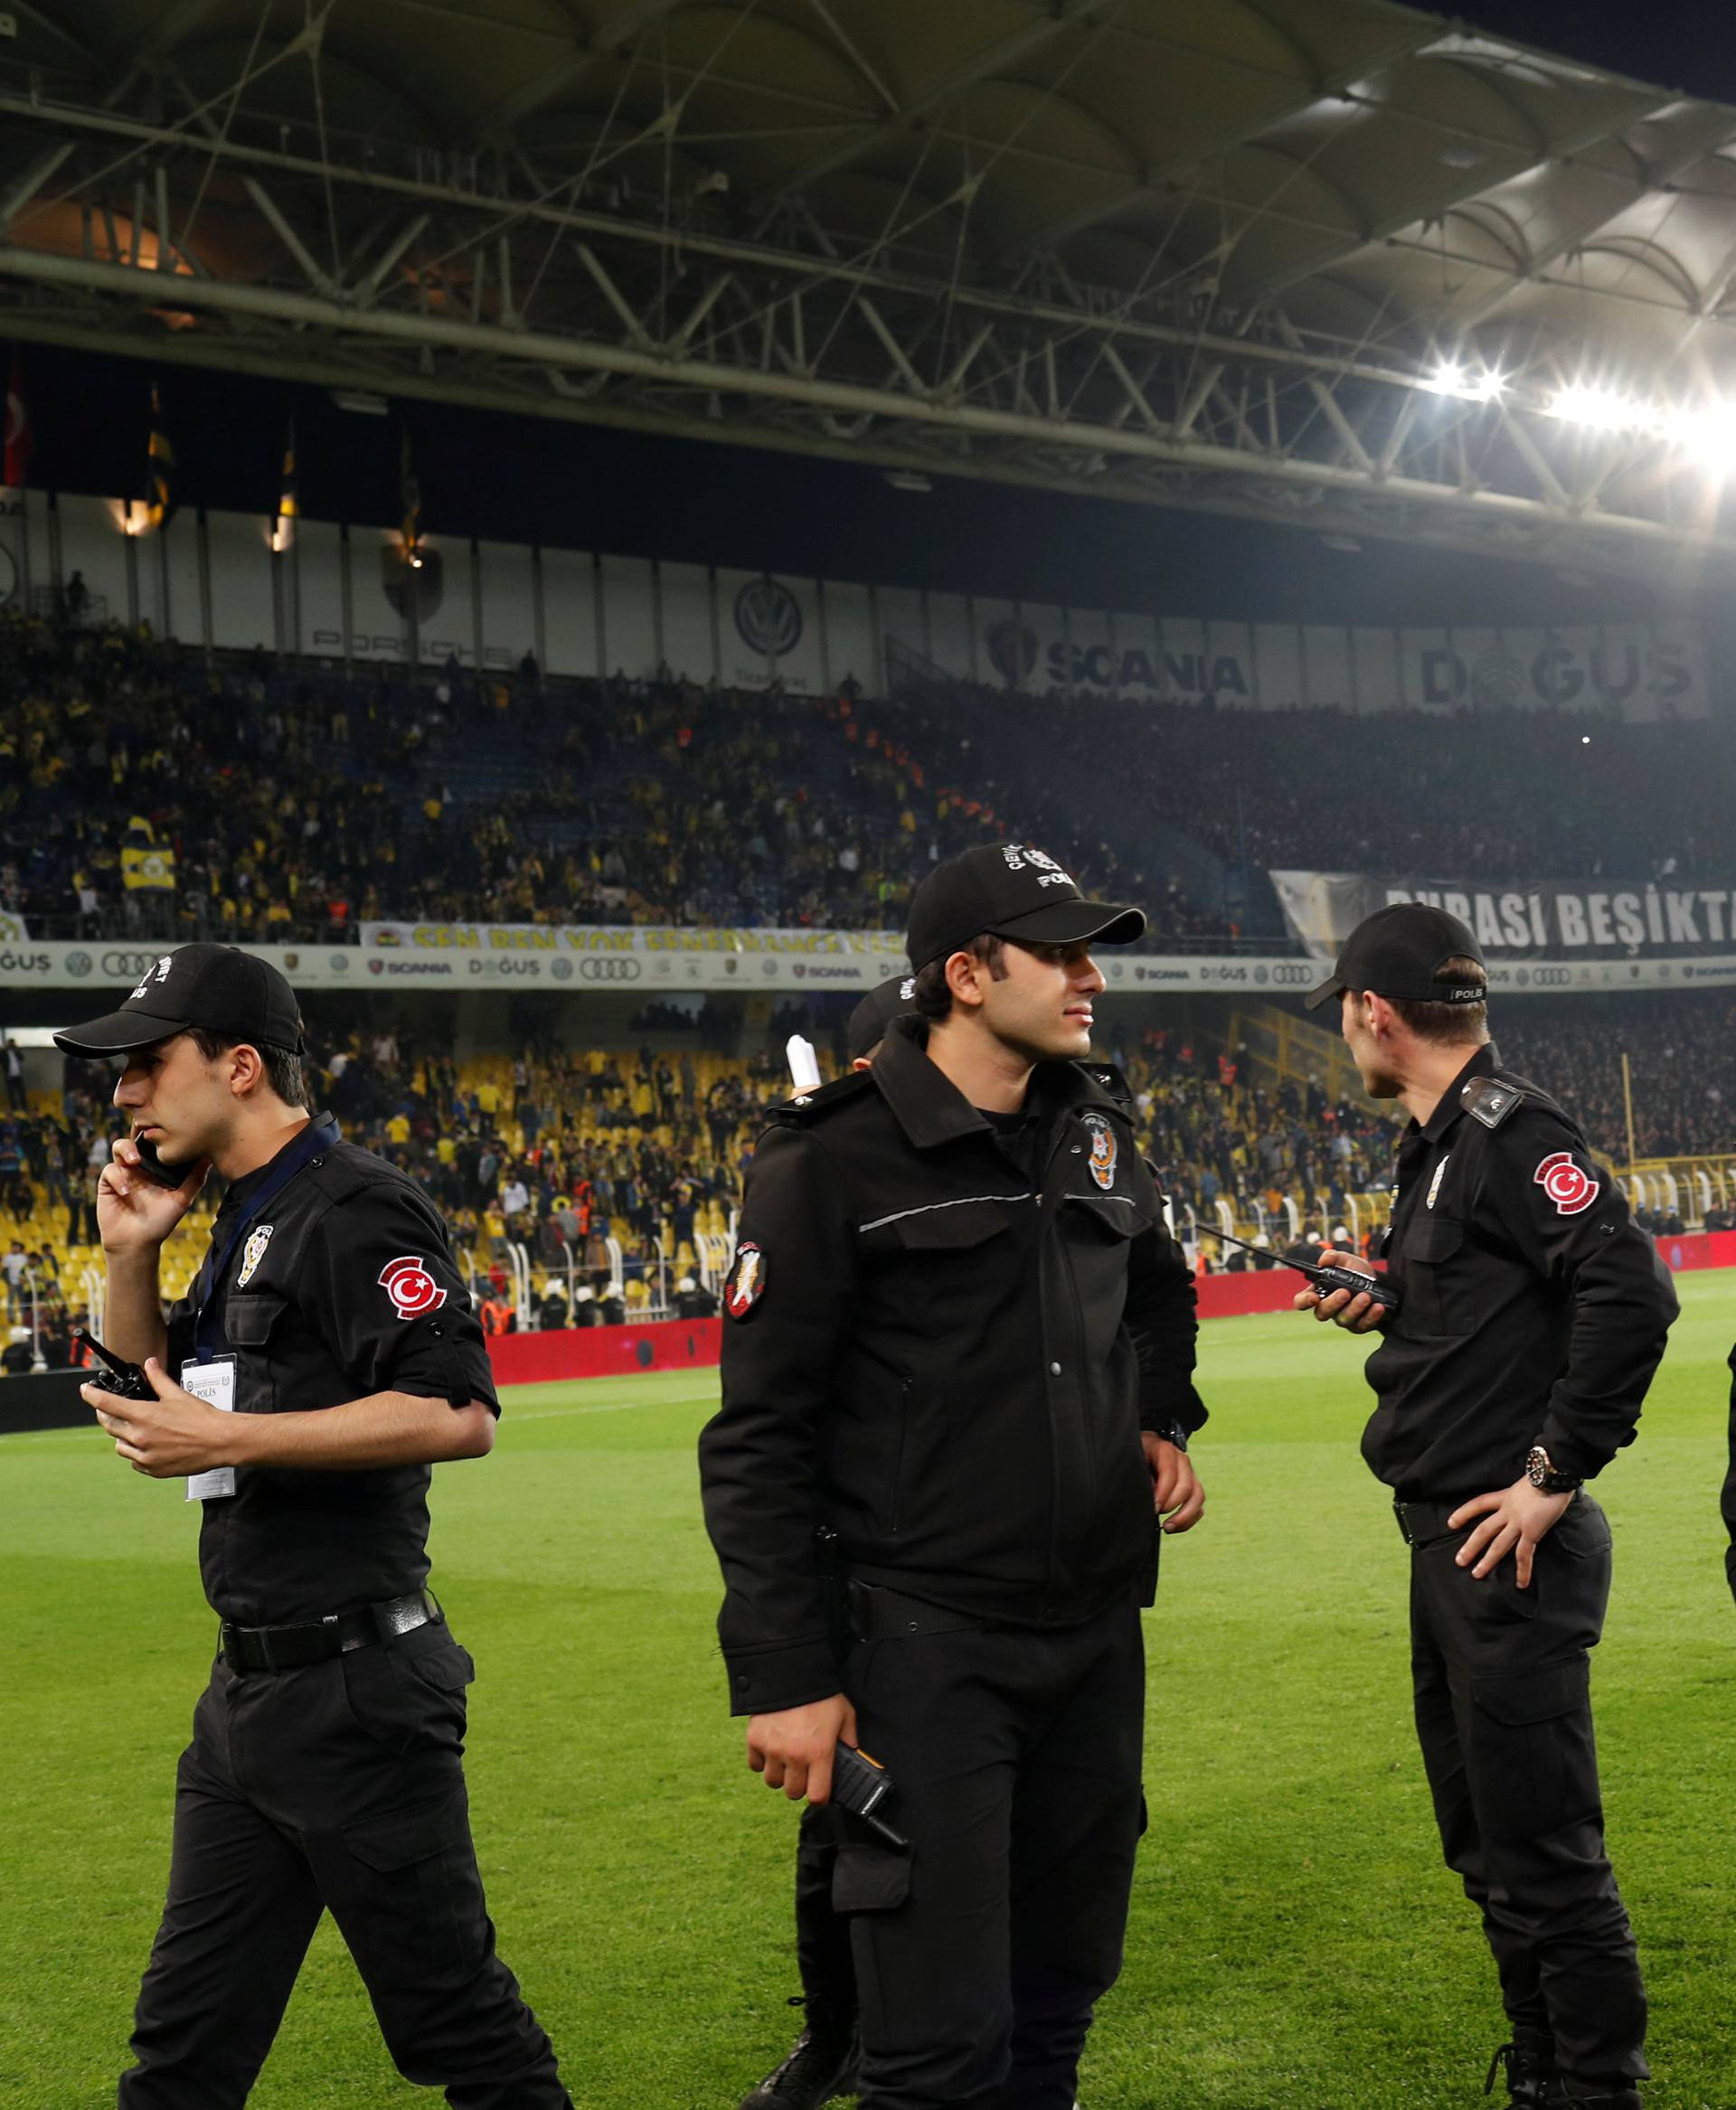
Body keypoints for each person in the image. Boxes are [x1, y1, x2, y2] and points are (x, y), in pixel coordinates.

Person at [701, 846, 1209, 2110]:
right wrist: (790, 1675)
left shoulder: (1095, 1122)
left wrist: (1159, 1415)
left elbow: (1153, 1284)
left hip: (1096, 1641)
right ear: (968, 976)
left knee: (1054, 2017)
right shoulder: (829, 1162)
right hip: (928, 1653)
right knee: (935, 2052)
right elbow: (758, 1435)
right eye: (1064, 952)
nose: (1094, 976)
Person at [58, 943, 572, 2110]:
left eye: (147, 1061)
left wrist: (232, 1440)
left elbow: (458, 1411)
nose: (124, 1091)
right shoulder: (245, 1214)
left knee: (465, 2033)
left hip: (359, 1694)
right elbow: (152, 1409)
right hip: (244, 1706)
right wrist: (131, 1250)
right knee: (180, 2057)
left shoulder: (358, 1205)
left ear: (240, 1066)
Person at [1291, 905, 1676, 2110]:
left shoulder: (1512, 1132)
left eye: (1343, 1012)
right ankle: (1549, 2073)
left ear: (1374, 1010)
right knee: (1493, 1850)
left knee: (1547, 1858)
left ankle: (1594, 2086)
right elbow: (1494, 1311)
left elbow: (1631, 1289)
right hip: (1449, 1546)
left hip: (1507, 1549)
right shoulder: (1446, 1141)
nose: (1344, 1032)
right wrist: (1391, 1300)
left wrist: (1554, 1473)